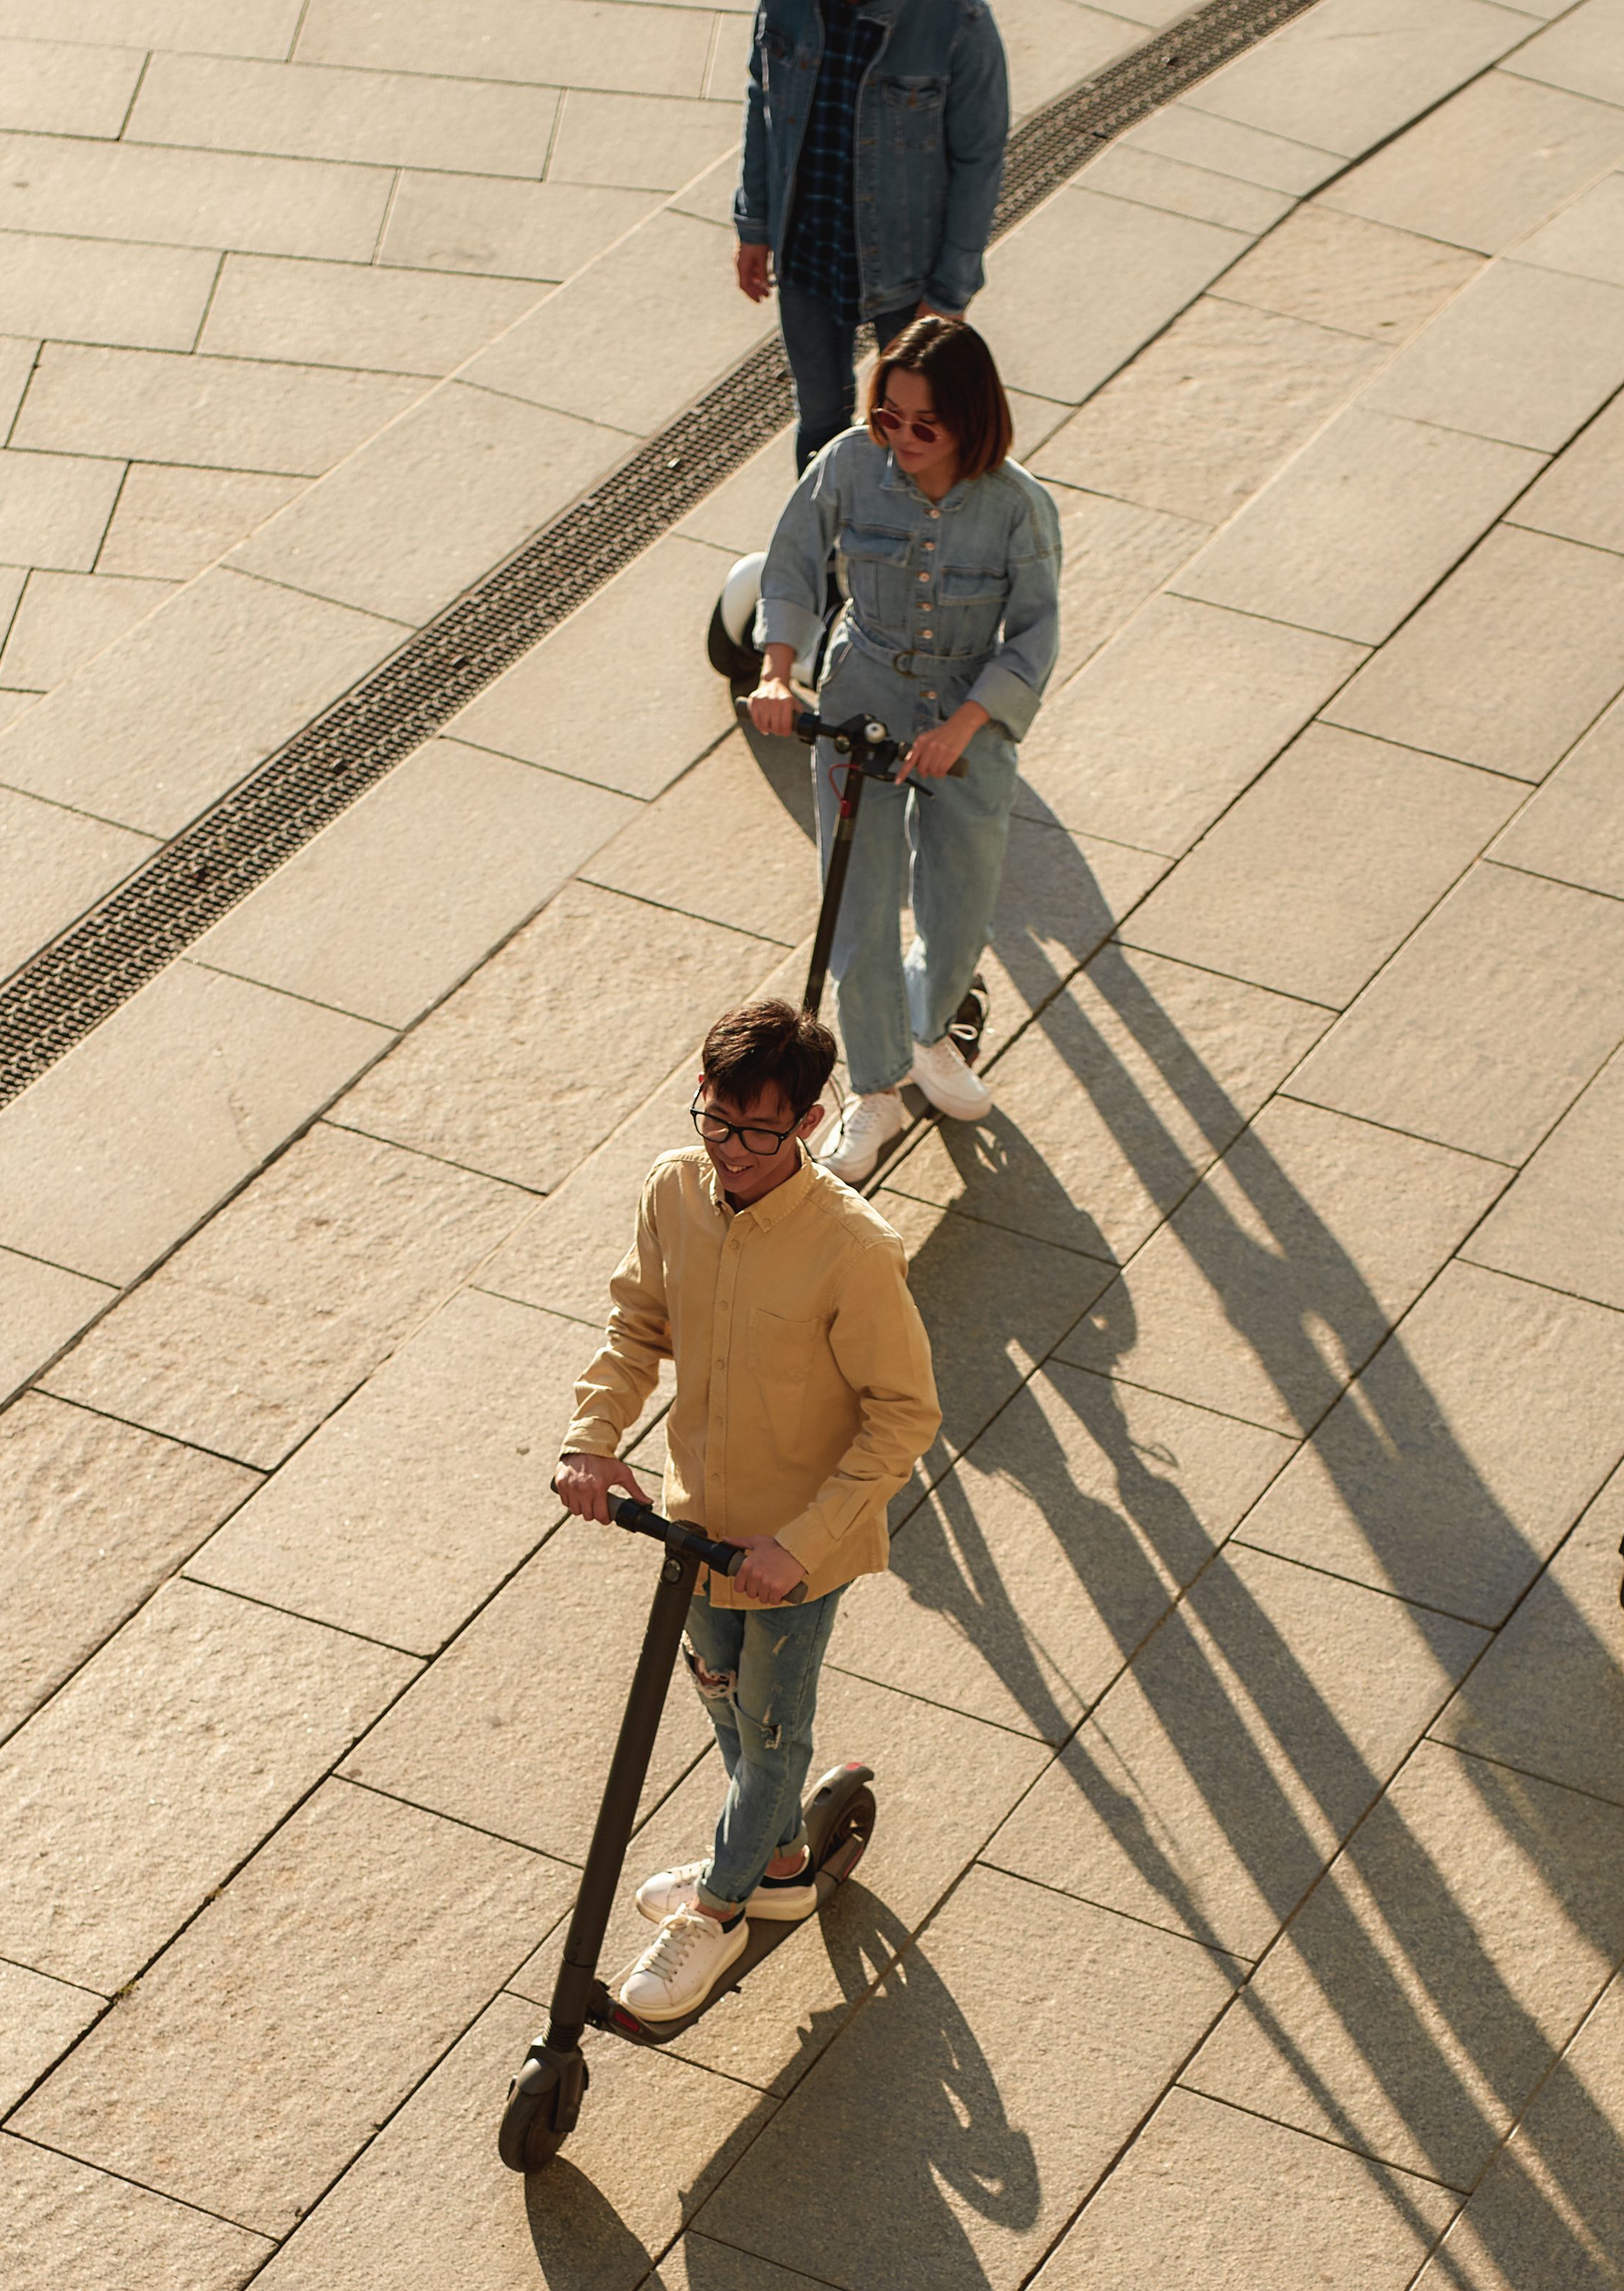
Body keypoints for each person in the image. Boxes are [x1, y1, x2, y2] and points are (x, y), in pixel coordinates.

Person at [556, 997, 941, 2028]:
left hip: (794, 1550)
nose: (728, 1150)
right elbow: (637, 1324)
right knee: (724, 1700)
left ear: (810, 1124)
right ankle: (773, 1858)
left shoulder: (853, 1250)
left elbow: (904, 1416)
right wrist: (592, 1441)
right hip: (696, 1527)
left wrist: (802, 1545)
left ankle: (719, 1914)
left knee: (770, 1736)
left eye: (757, 1133)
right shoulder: (675, 1191)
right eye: (713, 1121)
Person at [748, 313, 1057, 1182]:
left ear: (971, 417)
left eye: (926, 425)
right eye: (889, 417)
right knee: (859, 901)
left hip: (967, 715)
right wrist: (779, 673)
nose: (903, 439)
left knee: (960, 900)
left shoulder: (1016, 506)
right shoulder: (848, 463)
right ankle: (876, 1086)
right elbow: (793, 560)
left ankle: (929, 1033)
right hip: (863, 694)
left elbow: (1033, 635)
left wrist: (964, 725)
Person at [732, 0, 1007, 471]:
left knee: (922, 434)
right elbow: (763, 98)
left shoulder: (956, 20)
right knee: (820, 426)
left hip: (908, 274)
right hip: (808, 252)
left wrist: (949, 292)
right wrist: (753, 224)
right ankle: (825, 542)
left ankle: (918, 541)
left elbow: (979, 159)